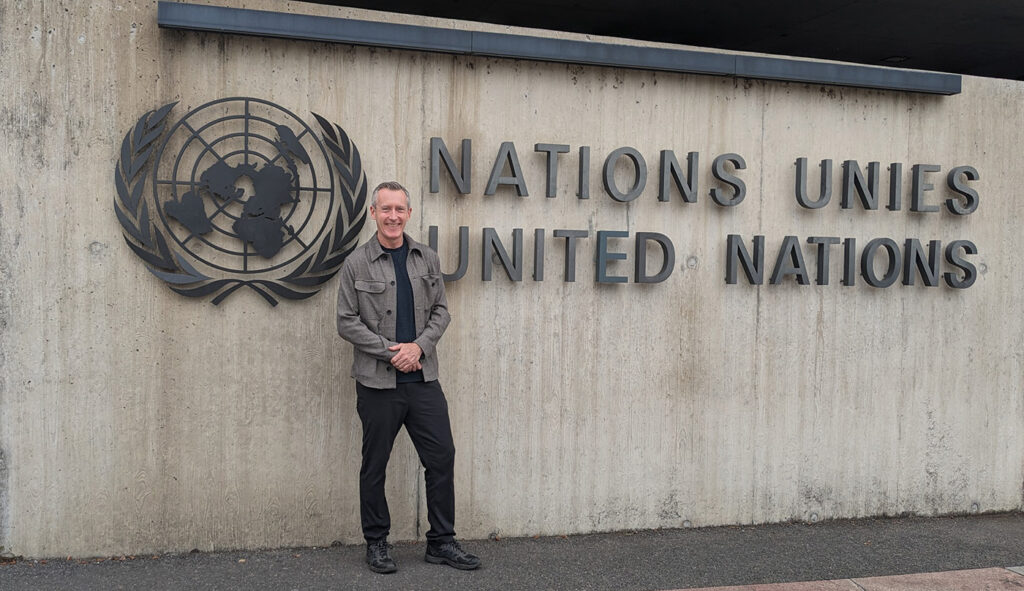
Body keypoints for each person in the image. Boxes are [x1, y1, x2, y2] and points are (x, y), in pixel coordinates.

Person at [336, 181, 480, 574]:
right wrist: (392, 351)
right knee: (375, 464)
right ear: (374, 213)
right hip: (377, 384)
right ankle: (377, 542)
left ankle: (441, 541)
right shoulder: (357, 263)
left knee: (441, 457)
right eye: (386, 209)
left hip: (423, 380)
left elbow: (441, 312)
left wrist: (418, 347)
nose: (393, 216)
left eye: (400, 209)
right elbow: (346, 322)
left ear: (409, 214)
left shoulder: (426, 258)